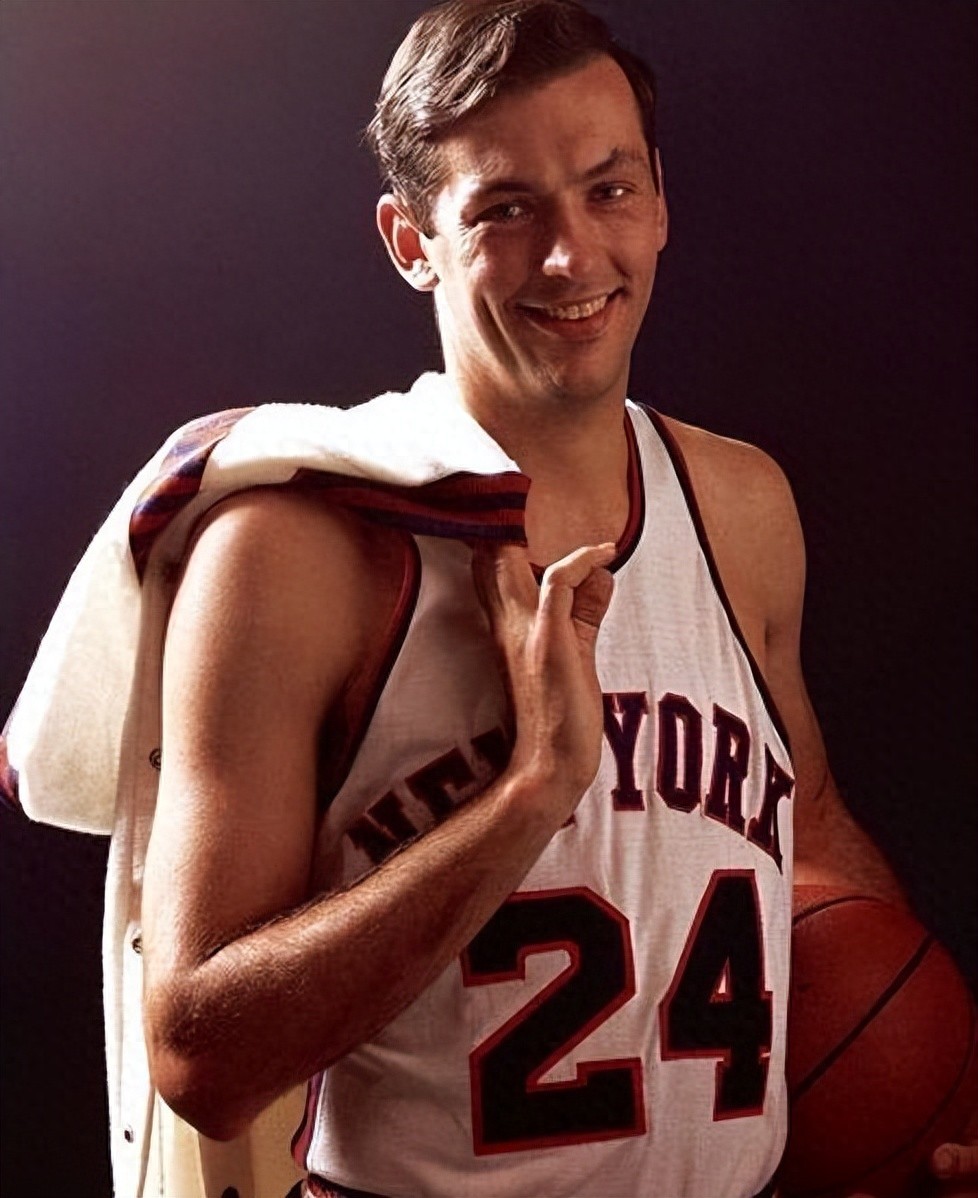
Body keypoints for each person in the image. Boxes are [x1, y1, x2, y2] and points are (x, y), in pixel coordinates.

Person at [4, 2, 974, 1196]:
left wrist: (934, 1093)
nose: (571, 256)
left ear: (659, 200)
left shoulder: (740, 506)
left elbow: (807, 830)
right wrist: (528, 796)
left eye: (608, 190)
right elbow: (201, 1053)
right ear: (411, 240)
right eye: (505, 210)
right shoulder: (299, 550)